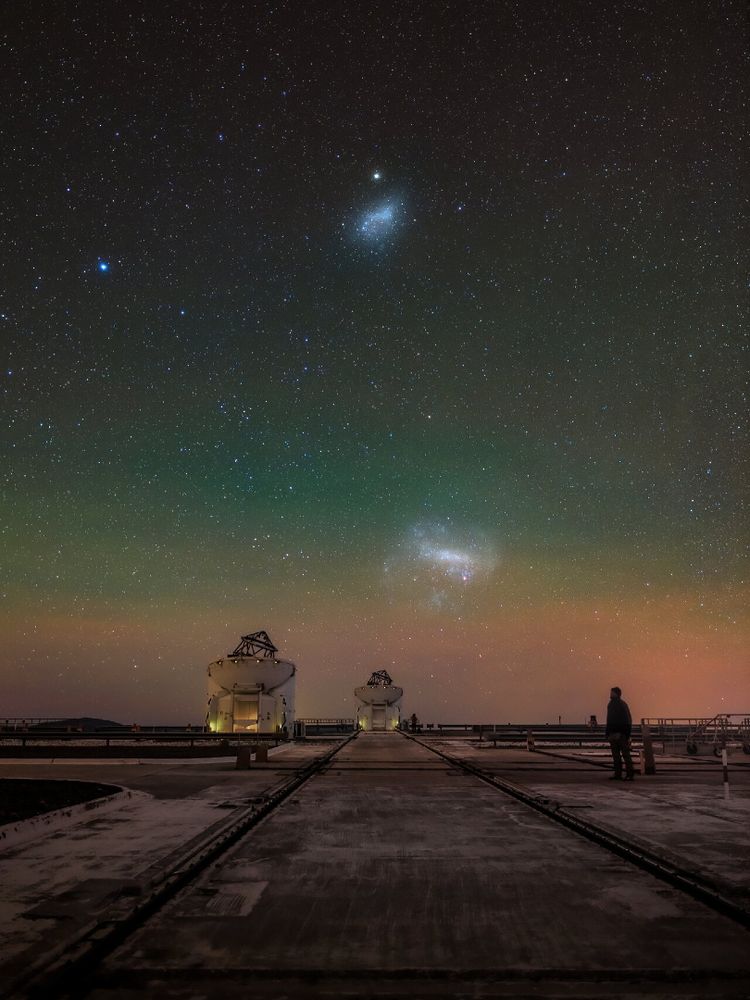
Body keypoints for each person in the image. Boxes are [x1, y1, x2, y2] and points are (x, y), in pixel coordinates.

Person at [605, 686, 634, 780]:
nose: (610, 694)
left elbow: (625, 719)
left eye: (612, 692)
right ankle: (620, 774)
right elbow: (610, 720)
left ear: (616, 693)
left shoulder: (618, 704)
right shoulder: (616, 704)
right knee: (618, 756)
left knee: (623, 755)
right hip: (616, 733)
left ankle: (628, 774)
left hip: (619, 734)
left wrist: (623, 733)